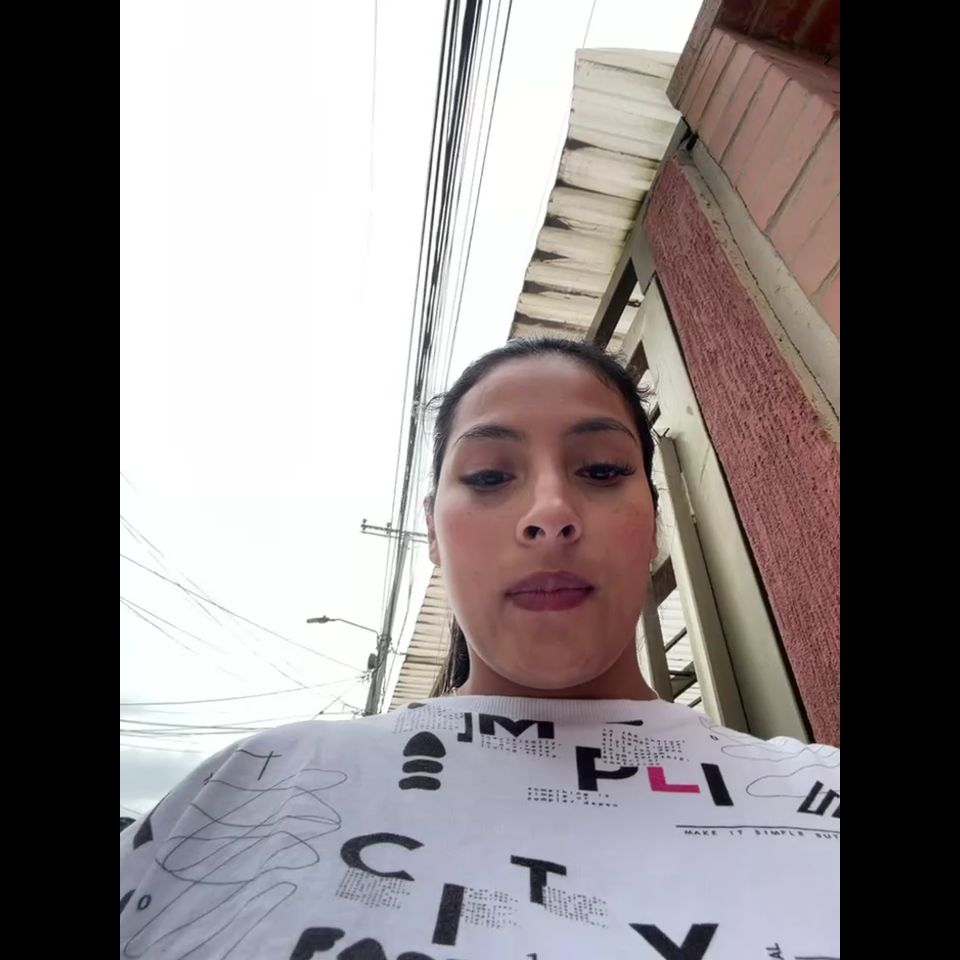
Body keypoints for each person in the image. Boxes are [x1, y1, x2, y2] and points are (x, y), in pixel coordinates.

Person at [120, 337, 839, 960]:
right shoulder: (255, 787)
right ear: (433, 531)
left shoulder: (820, 798)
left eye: (600, 470)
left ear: (653, 521)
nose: (550, 513)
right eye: (490, 476)